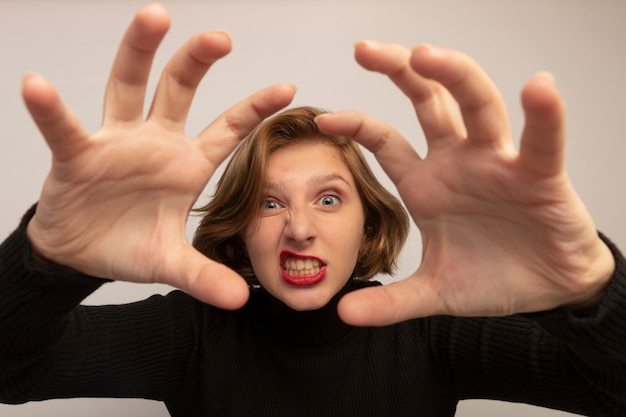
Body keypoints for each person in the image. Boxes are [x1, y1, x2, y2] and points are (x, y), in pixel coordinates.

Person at [0, 3, 624, 416]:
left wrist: (588, 288)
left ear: (371, 224)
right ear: (239, 230)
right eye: (269, 203)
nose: (299, 228)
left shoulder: (437, 335)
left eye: (329, 198)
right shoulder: (187, 335)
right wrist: (48, 263)